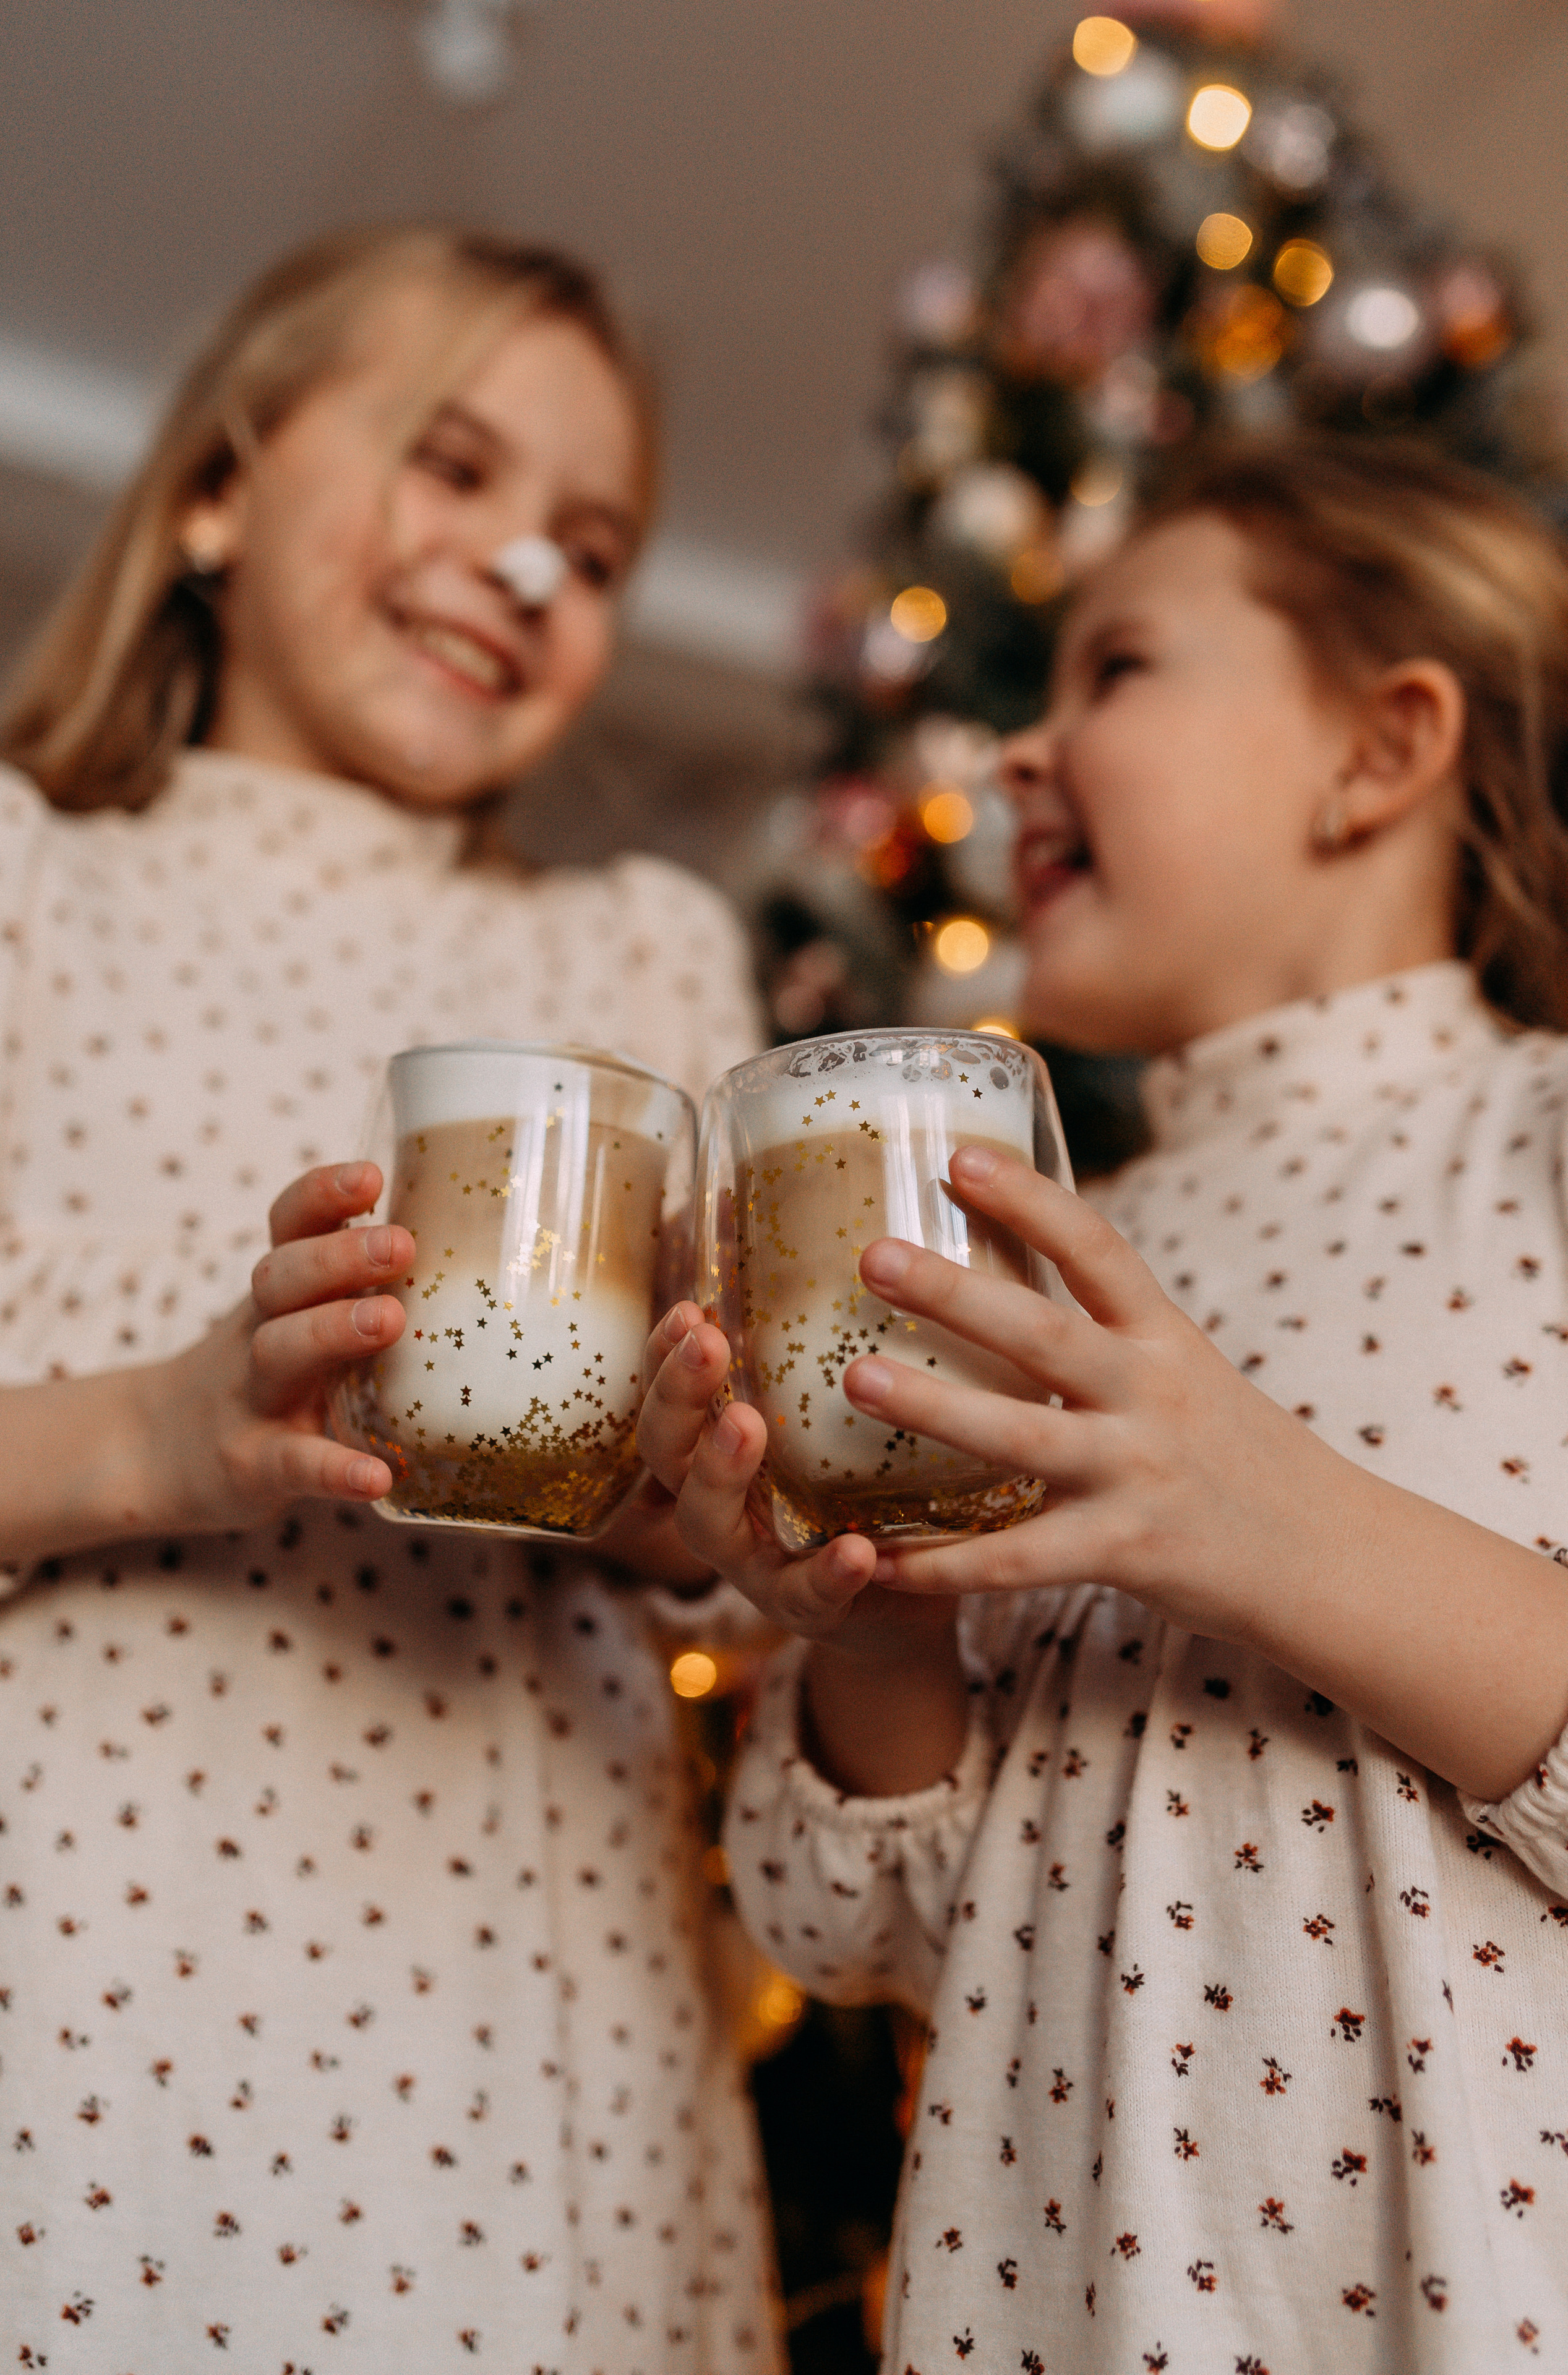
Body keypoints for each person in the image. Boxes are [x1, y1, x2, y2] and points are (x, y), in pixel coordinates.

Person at [641, 438, 1568, 2370]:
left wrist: (1263, 1517)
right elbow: (882, 1931)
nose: (1017, 756)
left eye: (1120, 671)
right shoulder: (1057, 1265)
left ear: (1384, 748)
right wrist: (887, 1634)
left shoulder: (1535, 1140)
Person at [0, 225, 781, 2370]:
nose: (524, 572)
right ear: (220, 492)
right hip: (74, 1997)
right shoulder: (15, 882)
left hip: (530, 2038)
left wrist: (684, 1508)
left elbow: (704, 1528)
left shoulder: (637, 953)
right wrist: (166, 1431)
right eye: (454, 470)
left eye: (597, 548)